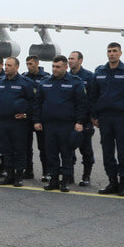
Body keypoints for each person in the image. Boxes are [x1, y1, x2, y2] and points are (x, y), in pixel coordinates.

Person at [88, 42, 124, 197]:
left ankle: (123, 184)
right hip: (104, 118)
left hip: (121, 118)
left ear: (120, 53)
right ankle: (112, 182)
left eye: (115, 51)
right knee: (107, 152)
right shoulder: (99, 72)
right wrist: (94, 116)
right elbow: (93, 96)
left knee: (123, 152)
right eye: (109, 51)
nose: (111, 54)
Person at [33, 55, 88, 192]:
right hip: (49, 125)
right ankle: (54, 179)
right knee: (51, 153)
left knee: (66, 154)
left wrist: (80, 122)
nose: (54, 69)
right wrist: (37, 120)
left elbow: (82, 105)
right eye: (53, 66)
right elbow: (37, 103)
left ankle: (65, 181)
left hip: (67, 125)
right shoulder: (45, 82)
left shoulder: (75, 82)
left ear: (65, 67)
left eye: (58, 67)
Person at [0, 57, 36, 187]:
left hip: (18, 123)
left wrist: (27, 115)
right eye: (5, 65)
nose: (6, 67)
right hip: (2, 122)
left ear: (16, 67)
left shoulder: (25, 83)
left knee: (19, 149)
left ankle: (19, 176)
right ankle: (9, 174)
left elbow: (33, 102)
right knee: (6, 149)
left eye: (9, 65)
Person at [68, 50, 96, 186]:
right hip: (70, 120)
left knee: (86, 150)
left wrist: (91, 117)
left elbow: (93, 99)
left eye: (73, 58)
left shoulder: (89, 77)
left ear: (80, 60)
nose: (70, 61)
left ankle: (86, 176)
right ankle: (70, 175)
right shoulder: (66, 77)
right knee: (68, 149)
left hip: (84, 120)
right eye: (69, 58)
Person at [22, 55, 50, 181]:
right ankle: (28, 170)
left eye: (31, 64)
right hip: (27, 117)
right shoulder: (23, 77)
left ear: (37, 63)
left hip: (40, 117)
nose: (29, 66)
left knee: (43, 146)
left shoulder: (46, 78)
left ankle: (46, 172)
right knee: (26, 146)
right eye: (27, 64)